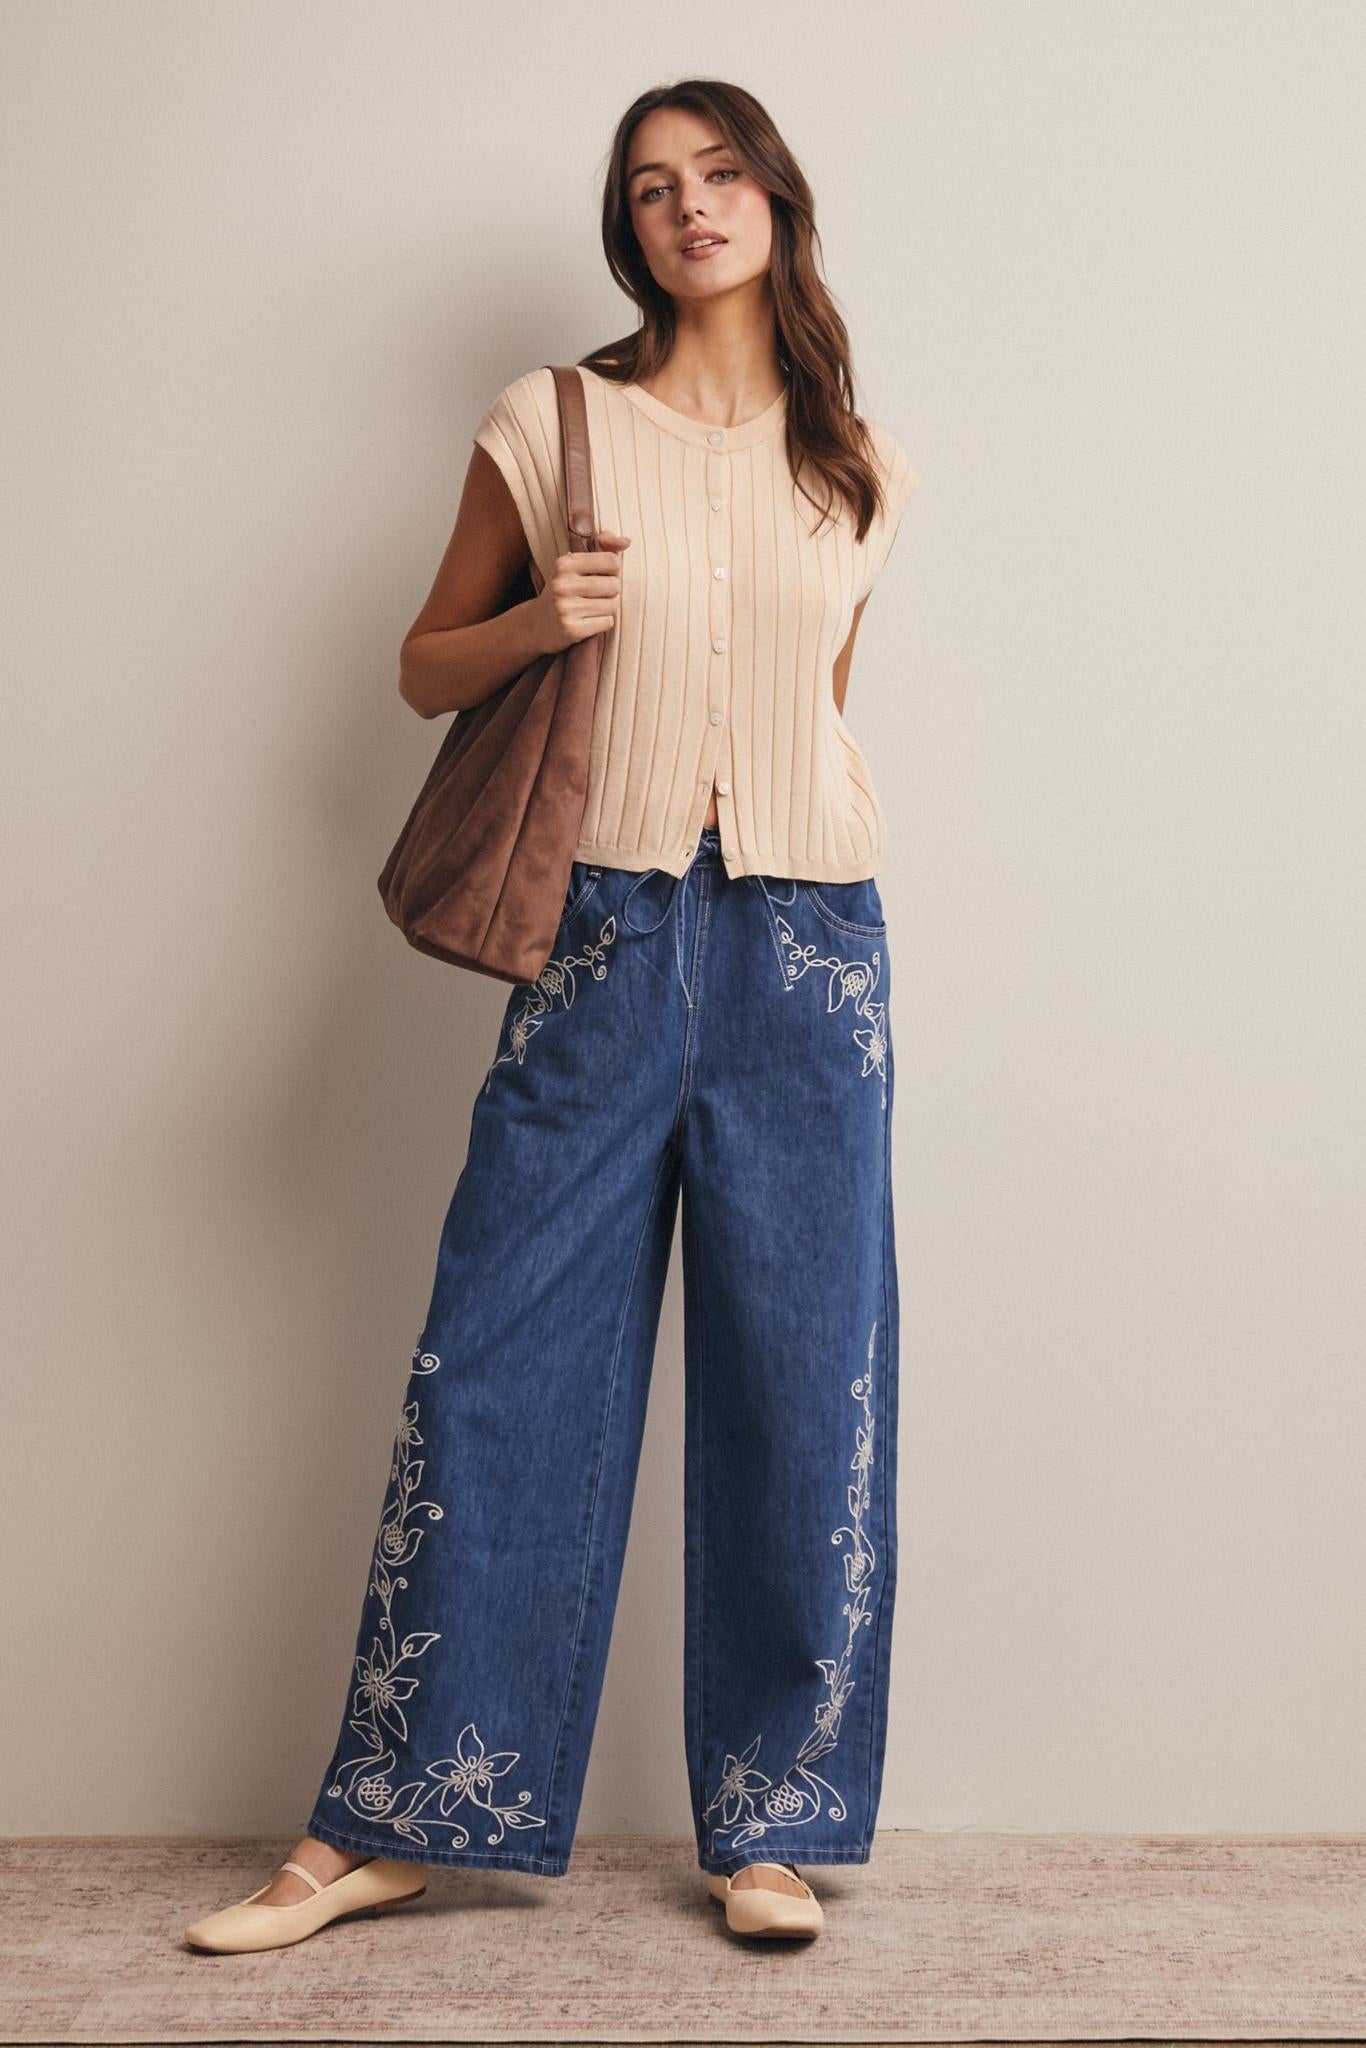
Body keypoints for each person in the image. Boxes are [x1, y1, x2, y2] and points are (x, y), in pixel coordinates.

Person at [185, 75, 918, 1955]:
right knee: (497, 1361)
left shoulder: (860, 462)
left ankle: (771, 1826)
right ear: (630, 230)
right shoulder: (551, 422)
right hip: (602, 932)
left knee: (806, 1377)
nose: (692, 207)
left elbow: (815, 706)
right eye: (654, 188)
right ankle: (396, 1819)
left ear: (776, 197)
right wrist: (544, 620)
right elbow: (424, 664)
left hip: (808, 947)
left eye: (721, 173)